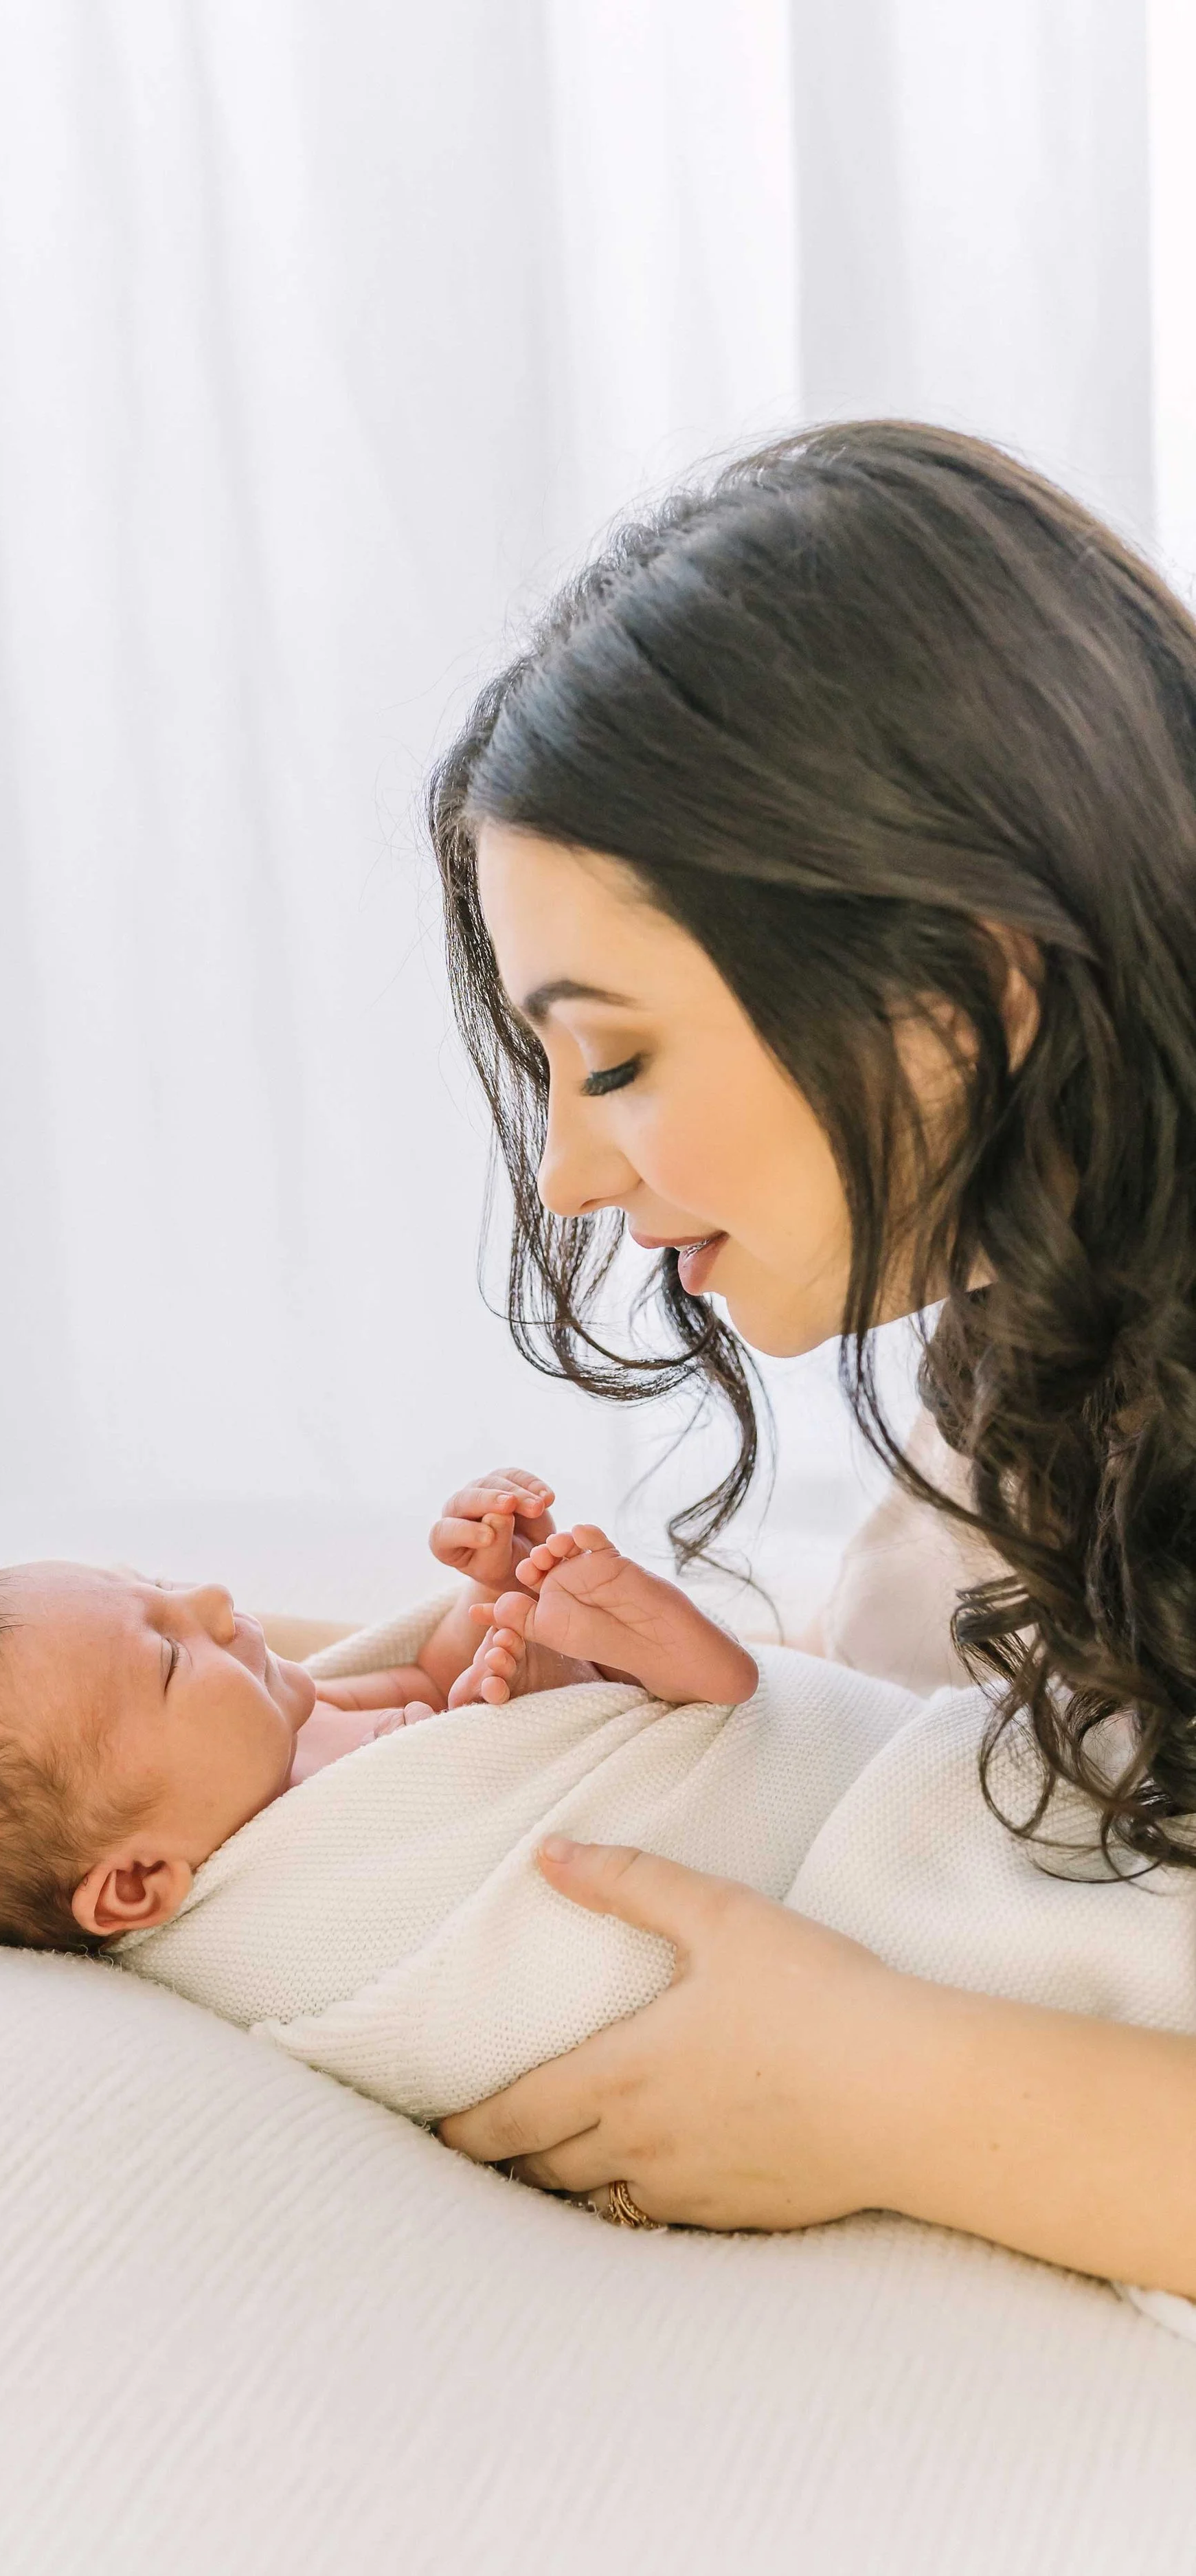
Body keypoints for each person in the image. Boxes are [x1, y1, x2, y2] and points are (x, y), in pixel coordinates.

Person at [425, 419, 1196, 2305]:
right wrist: (218, 1691)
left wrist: (888, 2094)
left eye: (609, 1058)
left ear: (968, 988)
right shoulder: (1059, 1352)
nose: (570, 1172)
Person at [0, 1475, 754, 1949]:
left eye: (158, 1587)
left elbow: (422, 1678)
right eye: (167, 1656)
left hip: (595, 1738)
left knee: (564, 1666)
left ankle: (651, 1677)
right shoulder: (284, 1884)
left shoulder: (297, 1719)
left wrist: (490, 1591)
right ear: (134, 1887)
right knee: (607, 1700)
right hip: (611, 1823)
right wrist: (491, 1734)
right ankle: (674, 1680)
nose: (212, 1600)